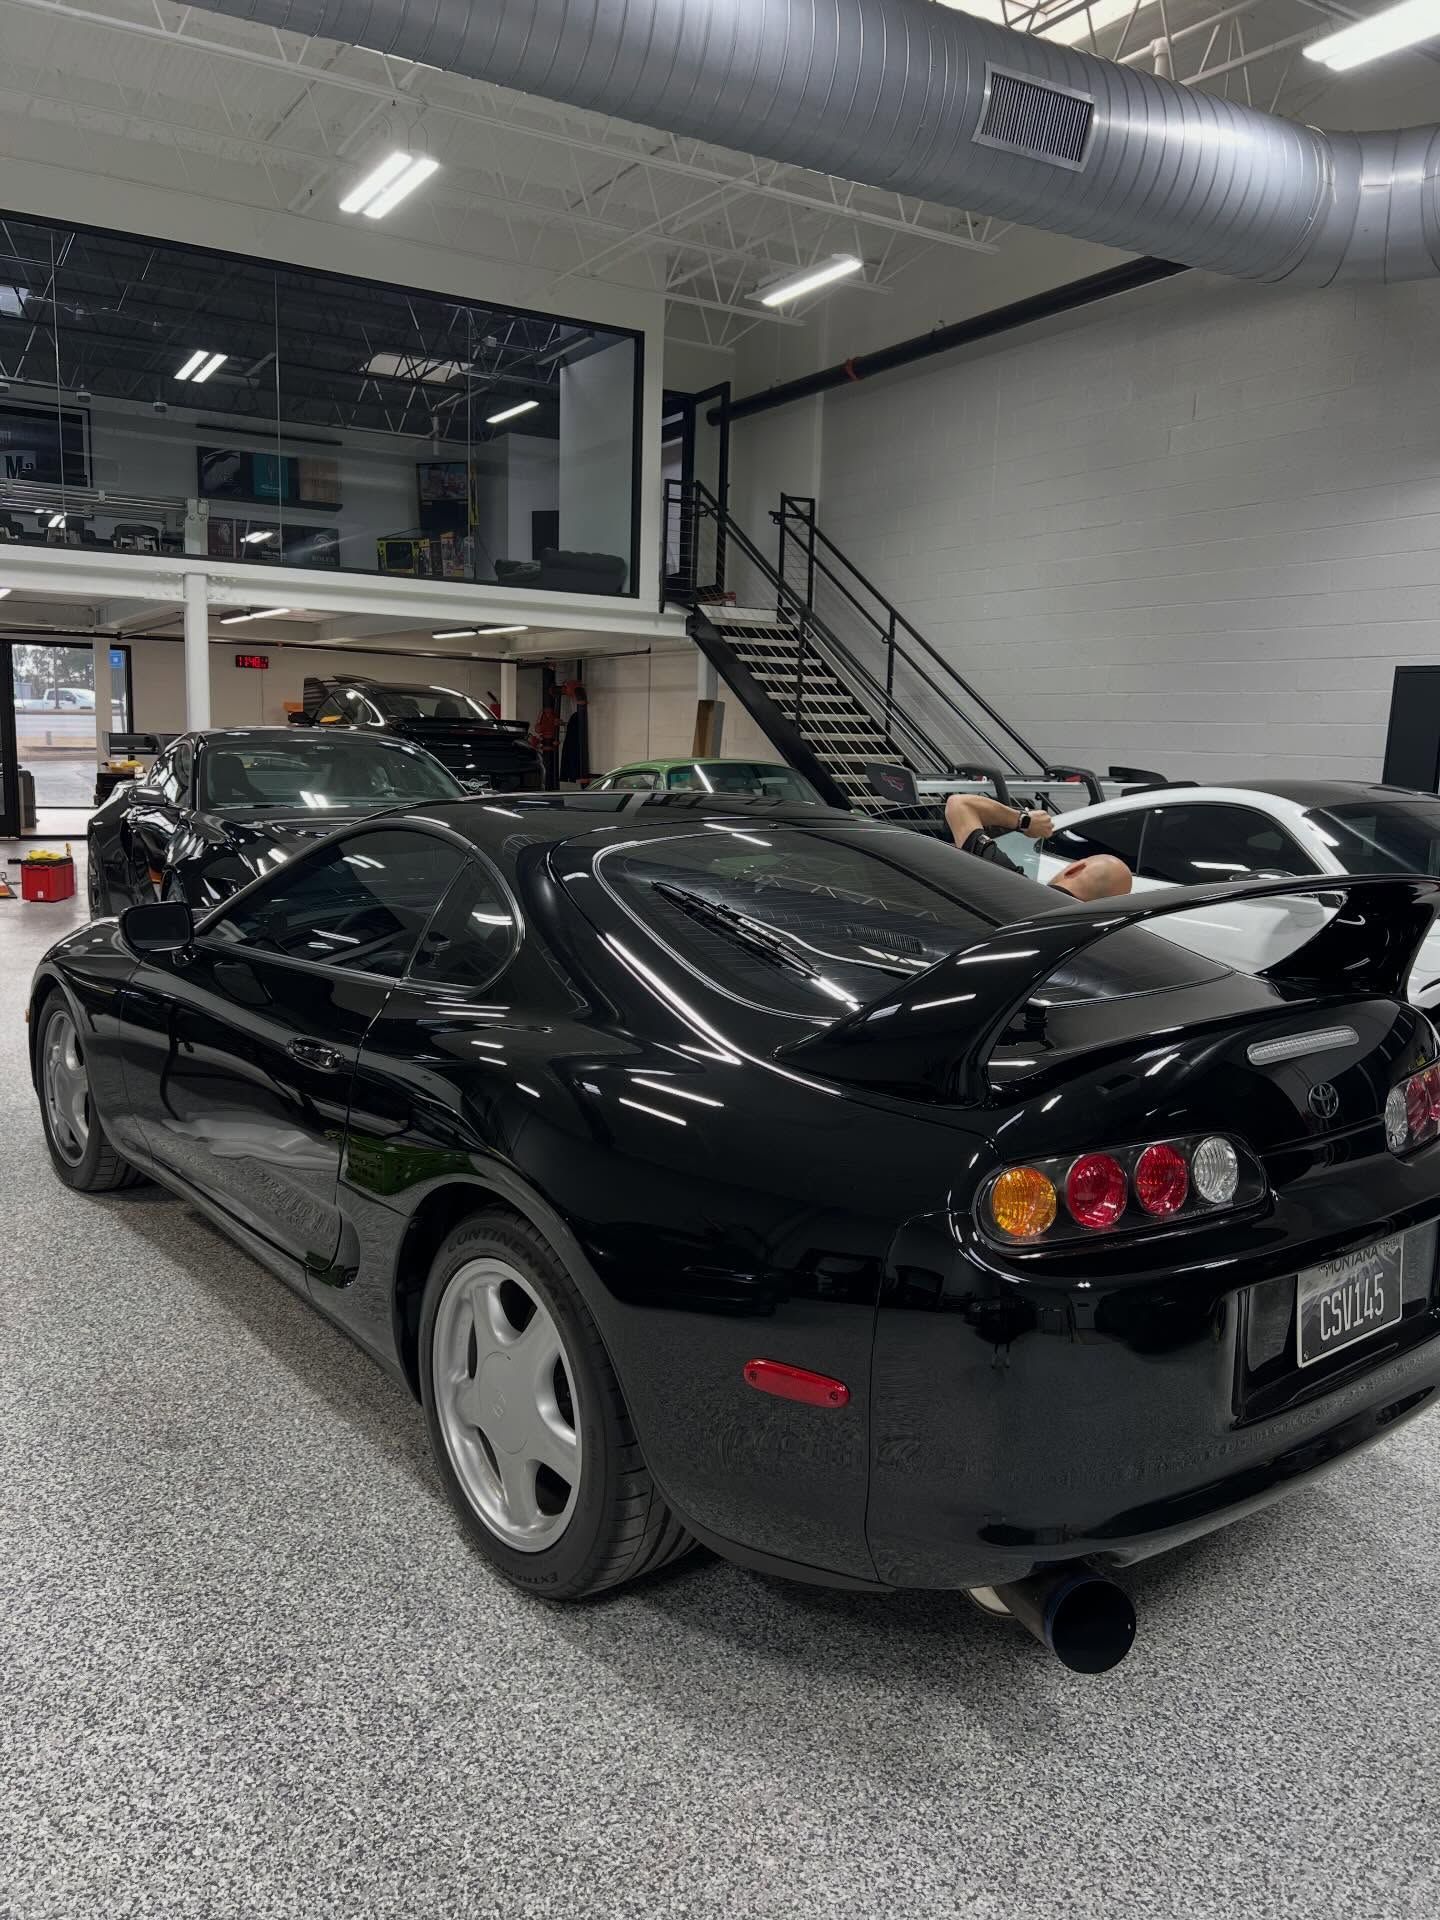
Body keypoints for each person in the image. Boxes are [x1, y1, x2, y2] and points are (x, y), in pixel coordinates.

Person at [944, 792, 1133, 901]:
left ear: (1075, 868)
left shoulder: (1013, 887)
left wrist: (1024, 821)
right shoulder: (1085, 944)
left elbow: (960, 804)